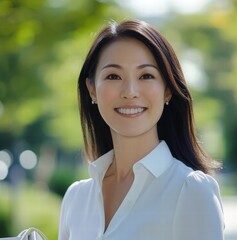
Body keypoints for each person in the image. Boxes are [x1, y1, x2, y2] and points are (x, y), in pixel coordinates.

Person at [58, 19, 224, 240]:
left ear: (167, 90)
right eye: (113, 76)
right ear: (92, 90)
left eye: (146, 76)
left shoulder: (191, 191)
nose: (130, 91)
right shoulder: (76, 198)